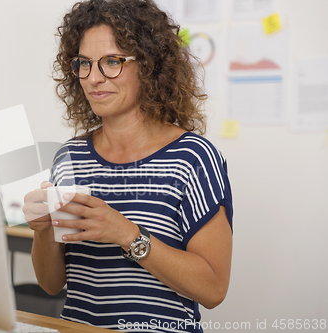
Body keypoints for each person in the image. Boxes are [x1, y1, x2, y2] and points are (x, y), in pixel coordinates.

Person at [22, 0, 233, 332]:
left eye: (112, 62)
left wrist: (126, 233)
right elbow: (51, 284)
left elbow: (213, 289)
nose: (93, 78)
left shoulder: (193, 158)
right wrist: (43, 230)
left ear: (149, 66)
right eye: (84, 64)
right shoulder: (69, 158)